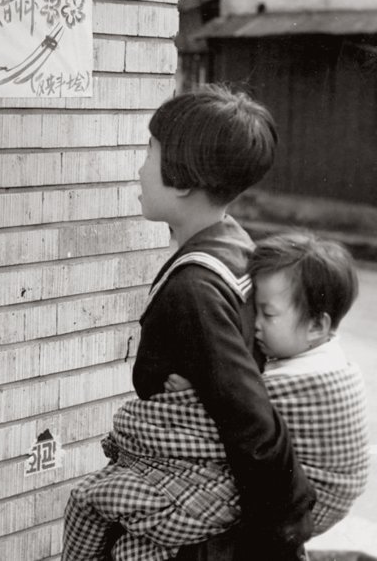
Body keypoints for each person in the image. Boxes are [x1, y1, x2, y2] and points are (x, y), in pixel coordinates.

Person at [62, 85, 316, 561]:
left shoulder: (192, 290)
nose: (139, 168)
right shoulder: (239, 247)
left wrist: (281, 533)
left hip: (203, 524)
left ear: (181, 179)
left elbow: (249, 419)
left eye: (149, 153)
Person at [75, 231, 370, 560]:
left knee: (113, 514)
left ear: (317, 326)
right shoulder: (324, 357)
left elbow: (237, 413)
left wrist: (194, 394)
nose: (255, 325)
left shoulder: (309, 380)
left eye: (268, 314)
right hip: (292, 501)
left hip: (306, 501)